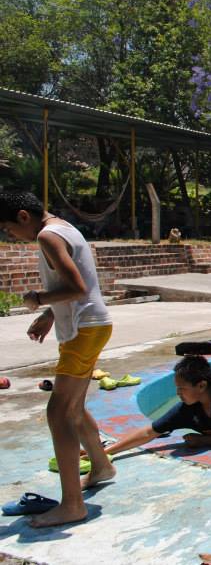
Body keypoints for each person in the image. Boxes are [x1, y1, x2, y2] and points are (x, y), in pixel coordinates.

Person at [0, 189, 114, 528]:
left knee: (58, 413)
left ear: (23, 216)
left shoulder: (48, 236)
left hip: (85, 329)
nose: (10, 235)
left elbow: (77, 287)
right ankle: (101, 466)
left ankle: (72, 505)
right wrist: (51, 313)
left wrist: (37, 298)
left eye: (8, 228)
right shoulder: (64, 227)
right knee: (73, 409)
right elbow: (81, 284)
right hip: (90, 326)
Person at [102, 355, 211, 457]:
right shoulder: (186, 409)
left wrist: (202, 440)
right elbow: (149, 432)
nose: (178, 393)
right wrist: (106, 452)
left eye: (182, 388)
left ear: (202, 385)